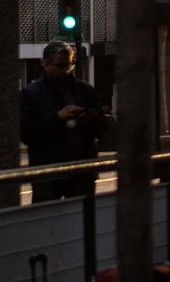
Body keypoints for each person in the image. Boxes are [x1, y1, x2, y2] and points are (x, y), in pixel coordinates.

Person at [19, 42, 109, 201]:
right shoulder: (30, 94)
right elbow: (26, 133)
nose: (64, 71)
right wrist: (57, 117)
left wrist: (88, 117)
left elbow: (102, 128)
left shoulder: (84, 89)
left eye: (69, 66)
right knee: (47, 217)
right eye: (59, 66)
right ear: (45, 63)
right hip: (47, 171)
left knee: (82, 217)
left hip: (81, 169)